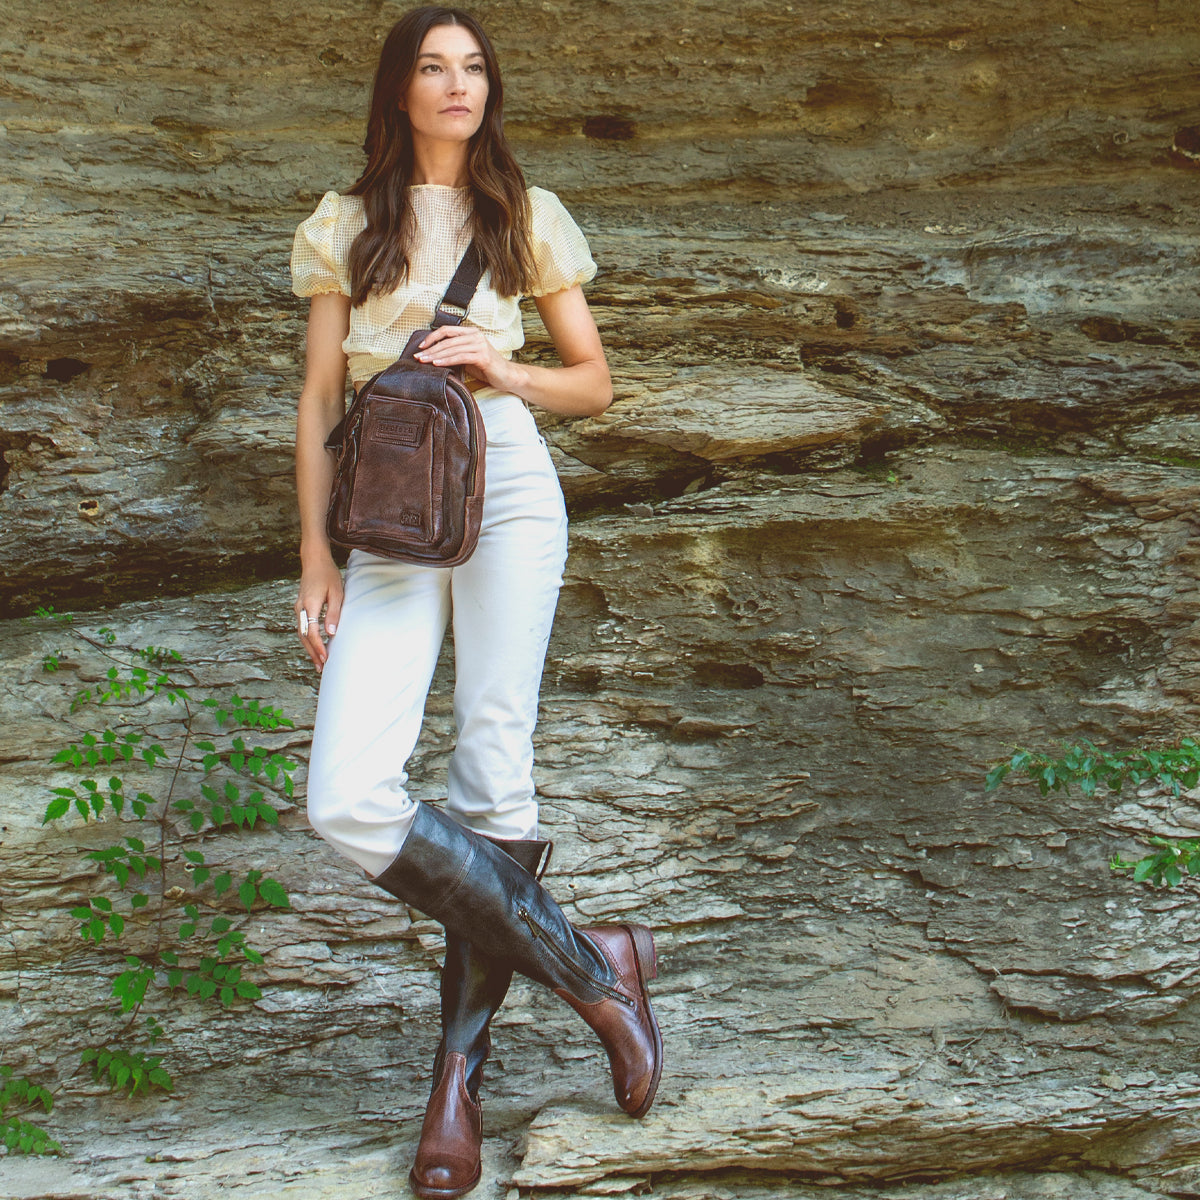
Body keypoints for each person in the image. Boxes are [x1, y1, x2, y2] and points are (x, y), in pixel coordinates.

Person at [288, 7, 662, 1198]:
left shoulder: (526, 215)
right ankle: (594, 968)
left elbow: (595, 386)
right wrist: (314, 557)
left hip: (509, 491)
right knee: (348, 795)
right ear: (398, 91)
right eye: (433, 68)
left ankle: (456, 1086)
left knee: (495, 773)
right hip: (390, 515)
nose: (458, 86)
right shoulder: (345, 225)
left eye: (474, 68)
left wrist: (502, 366)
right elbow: (313, 404)